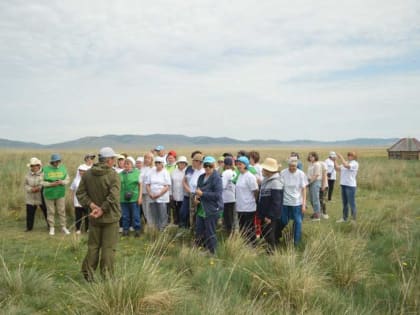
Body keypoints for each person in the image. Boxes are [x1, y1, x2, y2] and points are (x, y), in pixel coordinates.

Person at [76, 147, 121, 282]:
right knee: (108, 248)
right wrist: (102, 209)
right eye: (113, 159)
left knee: (93, 246)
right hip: (110, 217)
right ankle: (107, 276)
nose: (114, 161)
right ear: (108, 160)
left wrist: (91, 205)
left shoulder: (88, 174)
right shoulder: (113, 175)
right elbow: (114, 196)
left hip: (94, 216)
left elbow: (80, 193)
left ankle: (87, 274)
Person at [194, 156, 223, 254]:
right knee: (199, 230)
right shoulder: (201, 177)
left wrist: (203, 194)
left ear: (214, 166)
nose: (207, 168)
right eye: (205, 165)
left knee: (210, 232)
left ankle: (212, 252)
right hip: (201, 208)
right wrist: (196, 197)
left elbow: (217, 195)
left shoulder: (217, 178)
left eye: (210, 166)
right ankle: (203, 249)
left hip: (211, 209)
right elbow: (197, 190)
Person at [280, 156, 308, 246]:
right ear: (288, 165)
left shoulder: (301, 174)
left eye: (294, 166)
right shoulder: (283, 173)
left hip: (297, 203)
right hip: (285, 202)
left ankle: (296, 242)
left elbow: (304, 189)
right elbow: (280, 187)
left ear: (297, 165)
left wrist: (304, 204)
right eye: (290, 166)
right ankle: (281, 235)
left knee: (298, 222)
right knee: (284, 221)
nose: (292, 168)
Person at [257, 158, 283, 253]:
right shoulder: (266, 180)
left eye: (264, 169)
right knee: (265, 232)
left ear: (269, 171)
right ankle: (269, 249)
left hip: (270, 215)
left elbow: (276, 202)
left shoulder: (276, 182)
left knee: (269, 233)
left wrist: (270, 216)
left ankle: (272, 252)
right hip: (264, 212)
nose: (262, 171)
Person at [42, 153, 70, 236]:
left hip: (60, 193)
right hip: (49, 193)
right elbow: (41, 182)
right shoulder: (45, 169)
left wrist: (62, 182)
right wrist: (51, 184)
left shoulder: (63, 168)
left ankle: (63, 227)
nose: (57, 163)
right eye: (55, 161)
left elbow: (67, 179)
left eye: (58, 161)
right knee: (51, 211)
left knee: (61, 210)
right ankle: (52, 227)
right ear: (52, 161)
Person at [235, 156, 259, 245]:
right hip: (240, 207)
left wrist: (253, 201)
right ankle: (244, 246)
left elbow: (255, 191)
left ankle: (252, 246)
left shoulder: (250, 176)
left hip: (249, 207)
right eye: (237, 164)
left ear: (246, 165)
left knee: (249, 228)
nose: (238, 166)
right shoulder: (240, 175)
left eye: (240, 164)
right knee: (242, 228)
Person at [145, 156, 171, 231]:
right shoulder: (151, 172)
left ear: (162, 164)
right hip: (152, 197)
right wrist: (150, 193)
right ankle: (156, 228)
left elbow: (167, 186)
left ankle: (162, 229)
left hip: (162, 197)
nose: (157, 164)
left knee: (162, 214)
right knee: (154, 213)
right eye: (156, 162)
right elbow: (147, 184)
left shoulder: (165, 172)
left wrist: (159, 194)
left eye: (159, 162)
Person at [180, 151, 204, 229]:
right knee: (191, 215)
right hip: (191, 195)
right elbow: (187, 182)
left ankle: (198, 233)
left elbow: (201, 186)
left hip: (198, 196)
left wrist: (196, 196)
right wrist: (190, 191)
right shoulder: (195, 171)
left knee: (196, 215)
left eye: (194, 161)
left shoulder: (203, 172)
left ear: (199, 162)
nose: (192, 162)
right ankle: (192, 230)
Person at [24, 157, 48, 231]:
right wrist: (31, 189)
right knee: (29, 212)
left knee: (46, 211)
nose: (34, 167)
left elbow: (45, 183)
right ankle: (29, 227)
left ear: (39, 165)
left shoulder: (44, 174)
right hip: (30, 197)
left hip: (41, 196)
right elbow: (25, 185)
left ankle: (50, 226)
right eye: (32, 166)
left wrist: (39, 188)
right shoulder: (27, 175)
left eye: (36, 165)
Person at [120, 157, 142, 237]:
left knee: (135, 215)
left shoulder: (137, 172)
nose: (126, 165)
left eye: (128, 163)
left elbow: (140, 185)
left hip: (134, 197)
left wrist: (140, 197)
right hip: (123, 198)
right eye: (125, 163)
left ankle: (137, 230)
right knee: (125, 215)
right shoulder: (120, 174)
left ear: (132, 165)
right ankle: (125, 229)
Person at [335, 152, 359, 223]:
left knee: (352, 203)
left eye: (351, 155)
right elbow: (337, 169)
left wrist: (341, 157)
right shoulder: (346, 162)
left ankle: (353, 219)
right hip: (343, 185)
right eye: (348, 155)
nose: (349, 156)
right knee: (344, 203)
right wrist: (334, 160)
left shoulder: (355, 163)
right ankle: (344, 218)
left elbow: (346, 166)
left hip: (350, 186)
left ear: (354, 156)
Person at [70, 164, 90, 234]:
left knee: (88, 216)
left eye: (83, 171)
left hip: (86, 201)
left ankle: (88, 229)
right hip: (77, 202)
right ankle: (78, 229)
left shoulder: (89, 180)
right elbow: (72, 190)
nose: (81, 172)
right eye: (80, 171)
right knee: (78, 216)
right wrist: (72, 199)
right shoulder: (75, 180)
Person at [170, 156, 188, 226]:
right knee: (175, 211)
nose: (182, 164)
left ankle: (184, 225)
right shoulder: (173, 172)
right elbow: (171, 184)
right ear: (177, 163)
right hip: (175, 196)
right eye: (180, 163)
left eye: (183, 163)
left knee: (183, 212)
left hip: (184, 196)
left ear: (186, 164)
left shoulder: (187, 172)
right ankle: (176, 225)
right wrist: (170, 194)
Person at [221, 157, 236, 236]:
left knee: (228, 218)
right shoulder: (234, 172)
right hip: (234, 197)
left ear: (225, 164)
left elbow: (222, 186)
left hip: (226, 198)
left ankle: (229, 234)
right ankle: (233, 233)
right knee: (233, 217)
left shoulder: (225, 173)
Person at [307, 152, 322, 221]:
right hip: (310, 181)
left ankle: (317, 216)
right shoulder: (310, 164)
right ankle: (315, 212)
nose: (311, 158)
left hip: (315, 182)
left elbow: (316, 175)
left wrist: (309, 183)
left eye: (312, 157)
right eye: (310, 157)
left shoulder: (317, 164)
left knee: (315, 199)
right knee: (311, 199)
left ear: (315, 157)